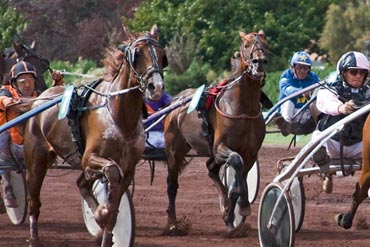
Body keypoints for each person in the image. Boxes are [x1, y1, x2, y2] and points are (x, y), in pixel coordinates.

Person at [0, 61, 64, 209]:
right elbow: (1, 98)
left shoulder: (39, 95)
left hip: (34, 147)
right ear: (14, 84)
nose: (28, 85)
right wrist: (7, 101)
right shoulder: (6, 92)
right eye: (23, 82)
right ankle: (6, 183)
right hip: (12, 147)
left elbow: (51, 100)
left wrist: (58, 83)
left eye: (31, 81)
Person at [312, 51, 370, 193]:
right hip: (332, 142)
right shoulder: (332, 88)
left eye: (362, 73)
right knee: (316, 139)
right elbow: (324, 101)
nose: (358, 76)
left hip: (358, 146)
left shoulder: (368, 92)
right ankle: (325, 169)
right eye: (353, 72)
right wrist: (341, 108)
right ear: (343, 73)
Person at [274, 51, 321, 136]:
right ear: (293, 67)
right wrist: (301, 92)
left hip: (306, 115)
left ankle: (320, 126)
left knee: (316, 104)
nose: (302, 71)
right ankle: (286, 126)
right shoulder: (286, 75)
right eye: (299, 67)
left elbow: (321, 89)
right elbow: (286, 89)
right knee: (288, 102)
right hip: (290, 113)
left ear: (309, 69)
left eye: (305, 68)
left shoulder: (313, 77)